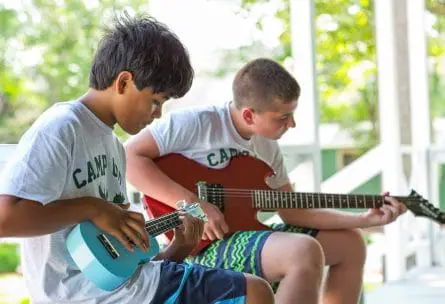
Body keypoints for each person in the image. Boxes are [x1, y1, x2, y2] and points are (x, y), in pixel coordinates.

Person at [0, 15, 274, 304]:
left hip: (126, 289)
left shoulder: (115, 148)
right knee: (254, 292)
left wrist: (180, 247)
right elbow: (6, 219)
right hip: (80, 295)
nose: (157, 114)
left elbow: (130, 263)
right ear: (124, 82)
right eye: (156, 101)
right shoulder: (62, 127)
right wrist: (94, 208)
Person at [125, 58, 408, 304]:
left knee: (351, 244)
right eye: (283, 117)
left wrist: (363, 219)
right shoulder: (196, 124)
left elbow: (294, 211)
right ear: (249, 114)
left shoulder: (267, 146)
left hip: (246, 233)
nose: (292, 124)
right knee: (302, 251)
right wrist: (196, 205)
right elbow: (131, 158)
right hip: (201, 244)